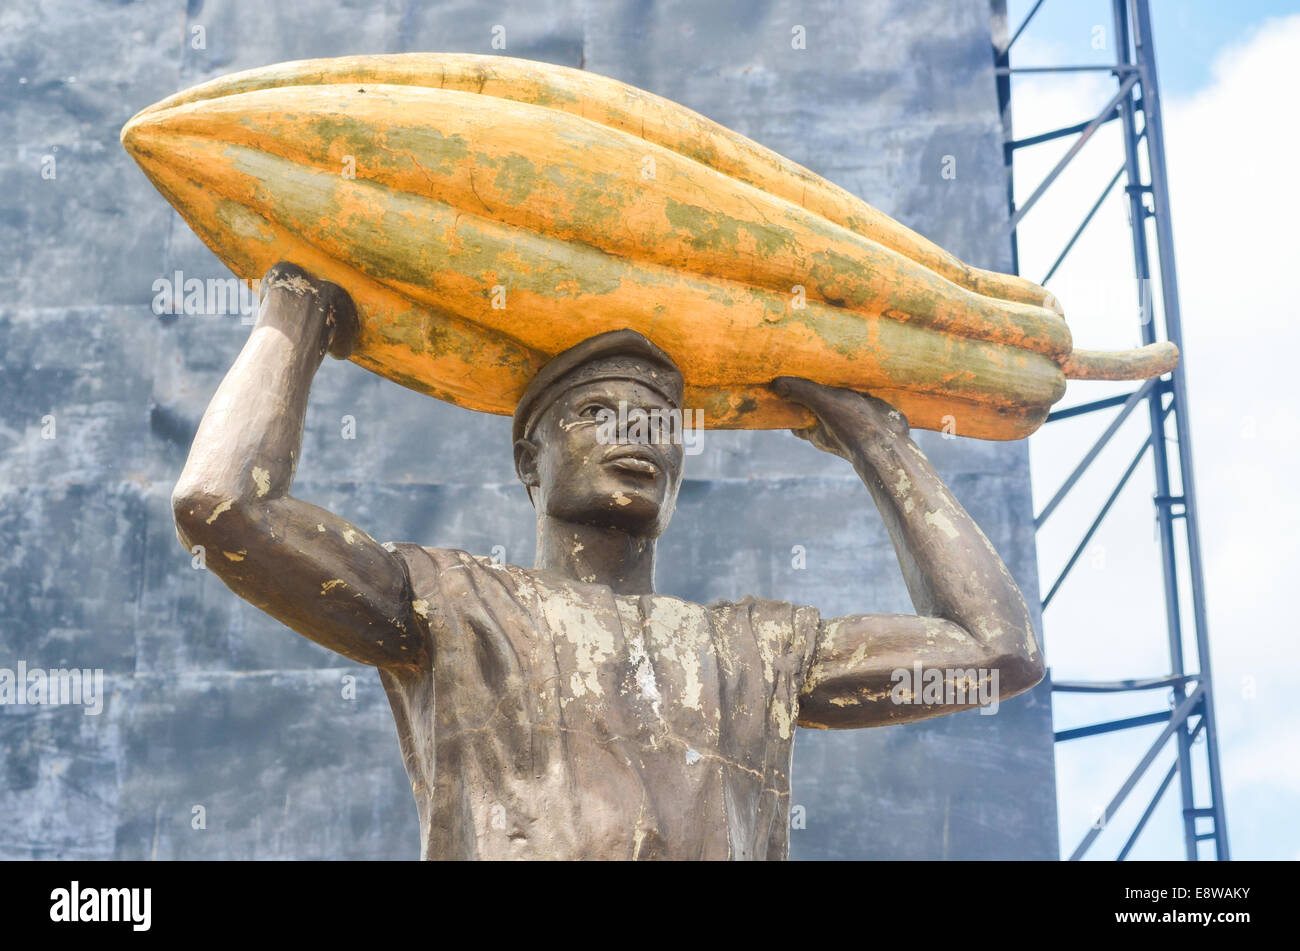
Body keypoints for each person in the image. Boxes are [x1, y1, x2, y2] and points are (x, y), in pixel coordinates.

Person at [172, 261, 1045, 860]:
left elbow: (994, 651)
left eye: (661, 422)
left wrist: (873, 440)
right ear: (530, 461)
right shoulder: (453, 605)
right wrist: (296, 314)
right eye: (597, 413)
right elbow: (222, 508)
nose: (639, 436)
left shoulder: (754, 652)